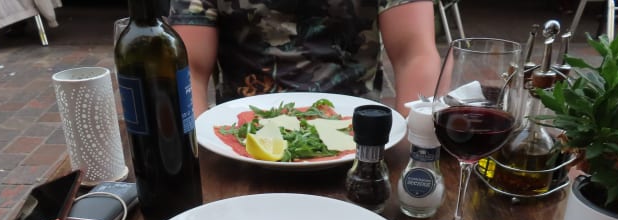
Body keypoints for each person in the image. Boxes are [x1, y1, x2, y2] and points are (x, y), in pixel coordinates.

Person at [167, 0, 442, 116]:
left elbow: (414, 54)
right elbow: (188, 66)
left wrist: (417, 156)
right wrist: (197, 157)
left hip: (356, 133)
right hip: (244, 136)